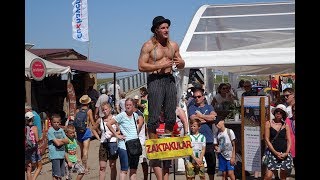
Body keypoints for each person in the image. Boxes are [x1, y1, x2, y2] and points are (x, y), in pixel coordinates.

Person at [138, 15, 185, 141]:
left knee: (171, 116)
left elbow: (181, 63)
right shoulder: (148, 46)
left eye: (167, 27)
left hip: (169, 79)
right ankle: (154, 147)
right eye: (163, 28)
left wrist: (181, 64)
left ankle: (167, 144)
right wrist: (160, 65)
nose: (166, 30)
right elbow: (141, 66)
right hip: (155, 79)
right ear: (156, 30)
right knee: (153, 117)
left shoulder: (173, 45)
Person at [106, 98, 144, 180]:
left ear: (133, 106)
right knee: (124, 170)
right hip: (124, 146)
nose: (128, 106)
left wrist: (136, 134)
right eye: (127, 105)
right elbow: (109, 124)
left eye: (130, 105)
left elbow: (138, 125)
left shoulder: (135, 115)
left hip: (134, 145)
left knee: (134, 170)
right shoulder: (121, 115)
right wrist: (116, 135)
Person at [188, 87, 217, 180]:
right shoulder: (192, 107)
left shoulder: (209, 107)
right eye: (195, 97)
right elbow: (194, 120)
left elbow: (214, 117)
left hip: (208, 140)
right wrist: (206, 118)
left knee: (211, 164)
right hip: (196, 141)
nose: (197, 98)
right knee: (194, 166)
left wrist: (201, 116)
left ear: (203, 97)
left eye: (199, 96)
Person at [263, 105, 293, 180]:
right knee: (268, 176)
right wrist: (275, 153)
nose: (278, 113)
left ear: (283, 114)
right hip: (272, 153)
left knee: (283, 176)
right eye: (277, 112)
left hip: (284, 153)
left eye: (281, 112)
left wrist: (286, 152)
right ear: (274, 113)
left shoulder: (286, 125)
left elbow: (289, 140)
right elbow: (267, 139)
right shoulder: (268, 123)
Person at [92, 102, 119, 180]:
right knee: (102, 167)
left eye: (106, 109)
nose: (104, 111)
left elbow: (120, 131)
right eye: (103, 110)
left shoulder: (115, 118)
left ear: (110, 109)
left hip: (113, 143)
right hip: (103, 144)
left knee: (112, 166)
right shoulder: (100, 120)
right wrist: (99, 138)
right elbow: (93, 129)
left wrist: (113, 134)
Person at [75, 95, 98, 174]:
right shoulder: (89, 111)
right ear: (88, 102)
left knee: (81, 150)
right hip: (86, 132)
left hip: (78, 132)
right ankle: (85, 168)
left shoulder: (77, 110)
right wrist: (97, 128)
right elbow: (92, 122)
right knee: (85, 151)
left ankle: (83, 166)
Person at [214, 116, 236, 180]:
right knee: (224, 174)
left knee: (230, 173)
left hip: (229, 156)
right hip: (222, 155)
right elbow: (215, 144)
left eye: (218, 122)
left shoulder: (229, 131)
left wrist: (233, 157)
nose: (217, 124)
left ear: (223, 121)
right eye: (215, 123)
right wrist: (217, 148)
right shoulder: (217, 134)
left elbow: (234, 145)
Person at [47, 113, 69, 180]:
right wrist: (62, 141)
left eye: (57, 122)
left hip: (61, 154)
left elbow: (67, 141)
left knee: (61, 174)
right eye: (54, 122)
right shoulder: (50, 131)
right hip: (55, 155)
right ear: (51, 122)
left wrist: (59, 140)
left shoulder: (61, 130)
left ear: (60, 122)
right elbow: (57, 144)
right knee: (56, 174)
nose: (56, 124)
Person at [132, 98, 149, 180]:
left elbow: (137, 129)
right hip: (134, 142)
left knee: (143, 162)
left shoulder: (139, 115)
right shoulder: (131, 114)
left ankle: (145, 177)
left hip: (140, 142)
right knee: (135, 163)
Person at [25, 112, 43, 180]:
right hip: (34, 150)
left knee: (28, 169)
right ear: (32, 118)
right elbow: (37, 140)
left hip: (26, 150)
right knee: (39, 166)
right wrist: (43, 136)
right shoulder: (34, 128)